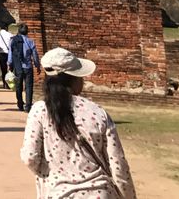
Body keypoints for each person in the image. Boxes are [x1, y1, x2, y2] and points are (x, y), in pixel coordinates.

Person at [20, 48, 137, 198]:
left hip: (58, 193)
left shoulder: (40, 111)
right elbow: (118, 165)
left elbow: (30, 157)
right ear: (74, 79)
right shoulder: (97, 112)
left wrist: (50, 174)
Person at [9, 22, 43, 112]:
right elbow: (35, 55)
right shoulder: (30, 41)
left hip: (18, 67)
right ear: (27, 32)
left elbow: (10, 54)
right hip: (28, 67)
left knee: (18, 86)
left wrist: (9, 64)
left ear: (19, 31)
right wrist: (37, 66)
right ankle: (28, 106)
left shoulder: (13, 40)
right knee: (29, 87)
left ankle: (20, 104)